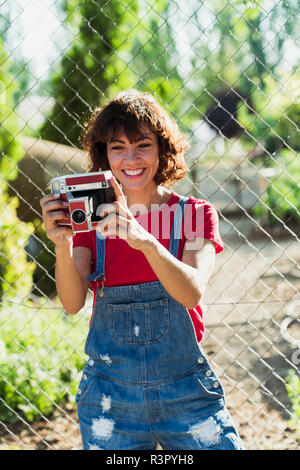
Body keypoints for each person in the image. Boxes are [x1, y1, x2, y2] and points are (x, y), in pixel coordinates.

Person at [40, 89, 243, 450]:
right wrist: (62, 243)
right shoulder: (88, 223)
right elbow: (72, 303)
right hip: (110, 400)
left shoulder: (193, 214)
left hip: (187, 395)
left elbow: (191, 291)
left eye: (143, 145)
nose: (130, 158)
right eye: (117, 147)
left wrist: (145, 240)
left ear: (163, 149)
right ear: (104, 154)